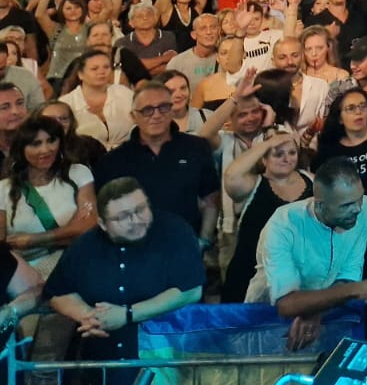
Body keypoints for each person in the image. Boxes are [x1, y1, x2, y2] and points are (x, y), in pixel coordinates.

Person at [40, 178, 204, 385]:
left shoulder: (175, 231)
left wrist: (127, 314)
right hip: (104, 361)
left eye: (141, 209)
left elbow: (191, 290)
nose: (136, 220)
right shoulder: (86, 245)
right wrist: (91, 317)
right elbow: (58, 292)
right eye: (123, 217)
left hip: (168, 360)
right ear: (102, 223)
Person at [246, 157, 367, 350]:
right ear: (319, 205)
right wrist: (361, 288)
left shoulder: (366, 209)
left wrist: (315, 312)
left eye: (359, 198)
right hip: (268, 321)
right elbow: (286, 304)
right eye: (346, 205)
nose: (357, 209)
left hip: (323, 319)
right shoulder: (283, 224)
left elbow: (347, 273)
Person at [93, 79, 219, 247]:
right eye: (147, 110)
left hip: (186, 244)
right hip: (134, 249)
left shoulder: (196, 147)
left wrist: (203, 240)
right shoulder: (113, 161)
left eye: (163, 107)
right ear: (134, 116)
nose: (156, 115)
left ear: (171, 110)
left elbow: (211, 197)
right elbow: (105, 212)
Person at [219, 125, 312, 303]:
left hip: (297, 277)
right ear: (264, 160)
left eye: (292, 153)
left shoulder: (311, 180)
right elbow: (231, 176)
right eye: (278, 154)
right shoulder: (252, 184)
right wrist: (268, 143)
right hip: (249, 275)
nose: (286, 159)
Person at [0, 112, 96, 278]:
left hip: (76, 263)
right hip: (26, 274)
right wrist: (68, 233)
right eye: (35, 144)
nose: (45, 150)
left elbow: (88, 227)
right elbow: (3, 245)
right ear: (21, 149)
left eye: (51, 140)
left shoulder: (78, 173)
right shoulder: (3, 189)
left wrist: (33, 240)